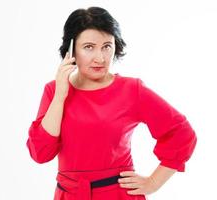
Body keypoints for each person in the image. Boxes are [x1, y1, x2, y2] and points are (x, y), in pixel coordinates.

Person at [26, 6, 197, 200]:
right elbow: (40, 153)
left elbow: (181, 133)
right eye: (89, 47)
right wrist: (60, 96)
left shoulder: (132, 90)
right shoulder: (54, 90)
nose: (100, 58)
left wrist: (153, 182)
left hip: (117, 194)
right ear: (71, 49)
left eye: (107, 46)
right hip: (69, 195)